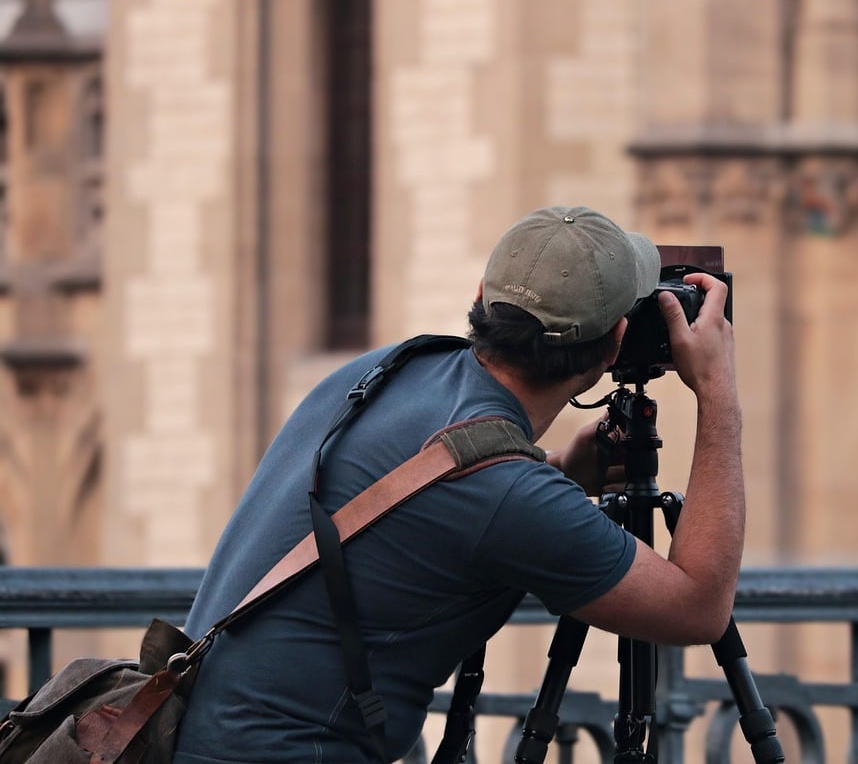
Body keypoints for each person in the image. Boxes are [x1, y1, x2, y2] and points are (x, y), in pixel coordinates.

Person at [173, 205, 743, 763]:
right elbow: (698, 608)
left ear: (481, 298)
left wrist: (559, 470)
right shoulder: (510, 495)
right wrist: (717, 392)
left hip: (187, 732)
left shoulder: (386, 368)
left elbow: (443, 503)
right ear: (616, 339)